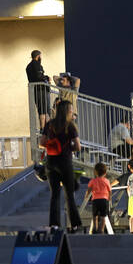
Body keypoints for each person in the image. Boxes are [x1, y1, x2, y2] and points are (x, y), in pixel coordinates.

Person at [41, 99, 82, 231]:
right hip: (65, 162)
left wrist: (52, 145)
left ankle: (54, 224)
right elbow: (78, 146)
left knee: (55, 195)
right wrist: (68, 147)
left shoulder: (49, 125)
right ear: (67, 111)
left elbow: (42, 142)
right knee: (69, 195)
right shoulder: (70, 126)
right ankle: (75, 224)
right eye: (71, 110)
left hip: (51, 162)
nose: (72, 112)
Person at [25, 50, 51, 128]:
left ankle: (44, 128)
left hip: (35, 90)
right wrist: (47, 78)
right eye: (41, 56)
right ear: (38, 56)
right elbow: (39, 76)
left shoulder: (28, 66)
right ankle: (44, 129)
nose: (41, 58)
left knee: (41, 110)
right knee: (44, 110)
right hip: (41, 90)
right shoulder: (36, 65)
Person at [87, 162, 112, 233]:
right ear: (105, 173)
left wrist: (86, 195)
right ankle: (101, 229)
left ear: (95, 172)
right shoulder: (106, 181)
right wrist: (109, 198)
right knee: (103, 215)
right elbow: (109, 190)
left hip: (95, 200)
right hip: (104, 199)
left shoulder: (92, 181)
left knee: (95, 215)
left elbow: (89, 189)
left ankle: (95, 228)